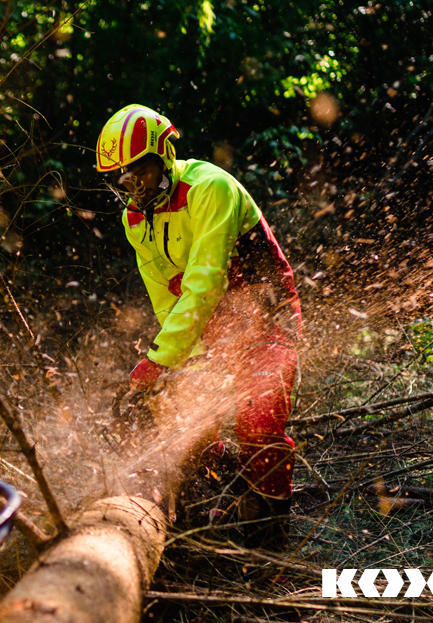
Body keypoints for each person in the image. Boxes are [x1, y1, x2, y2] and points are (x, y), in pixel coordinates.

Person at [94, 104, 303, 547]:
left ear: (163, 156)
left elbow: (204, 282)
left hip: (267, 319)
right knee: (188, 417)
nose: (133, 189)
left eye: (139, 174)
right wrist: (177, 367)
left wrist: (158, 360)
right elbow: (165, 296)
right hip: (208, 328)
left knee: (258, 419)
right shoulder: (135, 218)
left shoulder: (209, 188)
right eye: (122, 180)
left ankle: (270, 547)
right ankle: (213, 509)